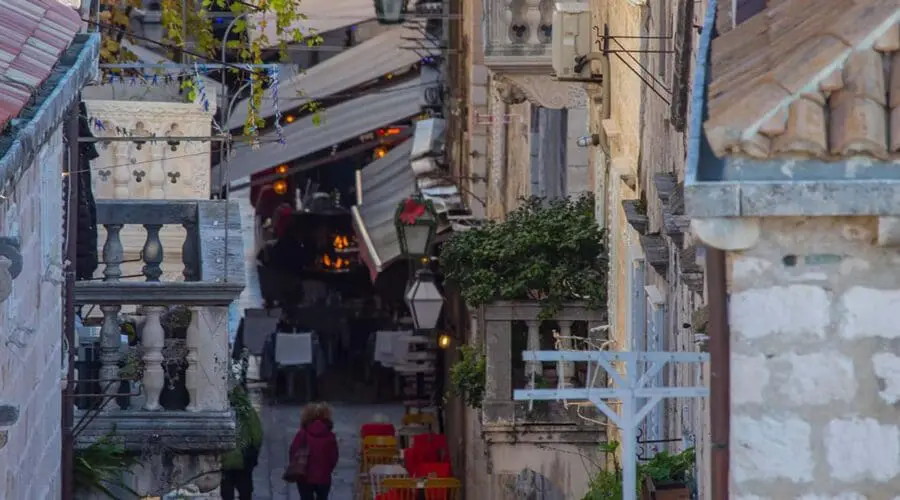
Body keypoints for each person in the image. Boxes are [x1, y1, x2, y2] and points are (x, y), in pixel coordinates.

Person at [289, 403, 339, 500]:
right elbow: (333, 458)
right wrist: (328, 470)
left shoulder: (302, 434)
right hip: (323, 477)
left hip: (304, 476)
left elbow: (293, 452)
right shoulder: (330, 436)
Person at [221, 386, 263, 500]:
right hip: (244, 459)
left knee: (226, 492)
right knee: (245, 491)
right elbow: (257, 434)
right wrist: (254, 449)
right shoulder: (247, 410)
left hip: (224, 459)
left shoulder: (220, 410)